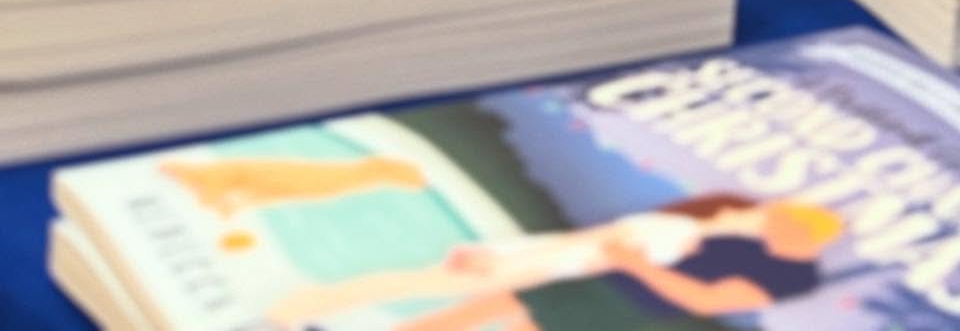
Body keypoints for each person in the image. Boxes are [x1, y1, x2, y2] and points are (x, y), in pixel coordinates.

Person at [257, 192, 843, 328]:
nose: (764, 224)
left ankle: (308, 309)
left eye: (774, 223)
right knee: (445, 314)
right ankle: (306, 312)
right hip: (569, 270)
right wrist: (507, 250)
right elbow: (589, 241)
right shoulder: (706, 228)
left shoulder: (788, 271)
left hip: (604, 300)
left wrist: (629, 263)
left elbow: (706, 300)